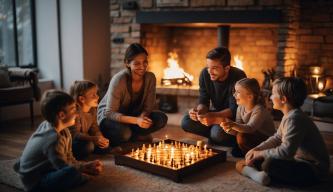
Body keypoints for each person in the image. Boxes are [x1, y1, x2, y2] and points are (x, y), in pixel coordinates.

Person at [236, 77, 330, 186]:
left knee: (269, 163)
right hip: (297, 160)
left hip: (314, 169)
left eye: (272, 94)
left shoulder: (295, 118)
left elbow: (286, 152)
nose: (270, 97)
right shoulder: (288, 115)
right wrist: (257, 149)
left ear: (283, 99)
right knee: (247, 161)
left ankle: (262, 176)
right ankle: (259, 175)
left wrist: (260, 154)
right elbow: (277, 137)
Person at [14, 90, 103, 191]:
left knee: (73, 168)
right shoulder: (53, 139)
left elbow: (69, 157)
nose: (77, 114)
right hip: (36, 182)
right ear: (61, 115)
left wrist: (84, 165)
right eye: (73, 110)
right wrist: (84, 174)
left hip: (44, 169)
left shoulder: (64, 130)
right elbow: (63, 166)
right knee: (72, 173)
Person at [97, 43, 168, 146]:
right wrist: (136, 121)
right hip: (110, 118)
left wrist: (143, 117)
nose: (142, 67)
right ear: (127, 63)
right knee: (125, 133)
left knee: (161, 118)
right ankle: (133, 136)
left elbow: (149, 107)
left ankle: (134, 135)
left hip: (133, 116)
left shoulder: (150, 78)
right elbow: (110, 113)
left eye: (145, 62)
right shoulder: (119, 80)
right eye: (137, 63)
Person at [181, 46, 246, 147]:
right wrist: (199, 112)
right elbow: (203, 100)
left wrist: (213, 117)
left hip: (232, 119)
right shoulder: (204, 74)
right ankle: (215, 136)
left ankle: (221, 136)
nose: (209, 72)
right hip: (215, 113)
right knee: (186, 121)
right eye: (208, 67)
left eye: (214, 68)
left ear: (227, 68)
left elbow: (234, 110)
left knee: (217, 133)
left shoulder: (238, 76)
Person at [220, 78, 276, 157]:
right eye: (235, 92)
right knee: (239, 137)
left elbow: (250, 128)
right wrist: (228, 129)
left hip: (267, 139)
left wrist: (232, 125)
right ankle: (247, 152)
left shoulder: (259, 109)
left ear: (250, 97)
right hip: (252, 135)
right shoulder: (240, 108)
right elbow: (238, 129)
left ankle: (254, 156)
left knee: (241, 137)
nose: (234, 95)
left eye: (238, 92)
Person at [69, 80, 110, 159]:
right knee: (88, 146)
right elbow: (75, 135)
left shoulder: (92, 109)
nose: (97, 96)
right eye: (93, 95)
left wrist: (100, 137)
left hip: (87, 137)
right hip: (73, 142)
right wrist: (93, 139)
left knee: (104, 144)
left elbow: (94, 127)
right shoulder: (75, 113)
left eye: (96, 93)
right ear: (82, 99)